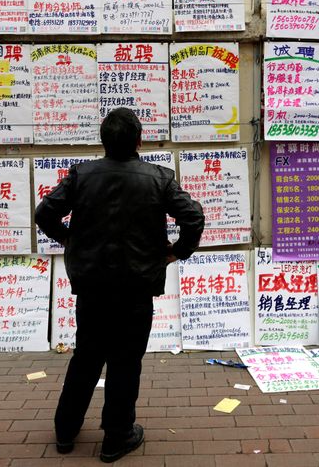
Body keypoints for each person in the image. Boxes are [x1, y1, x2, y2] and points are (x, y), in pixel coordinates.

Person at [35, 107, 205, 463]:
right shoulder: (159, 178)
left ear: (104, 141)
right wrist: (177, 252)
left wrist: (70, 240)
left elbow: (44, 213)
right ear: (139, 141)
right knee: (126, 361)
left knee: (86, 356)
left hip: (93, 285)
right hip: (136, 286)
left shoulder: (82, 175)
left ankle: (65, 431)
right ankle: (116, 437)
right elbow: (193, 215)